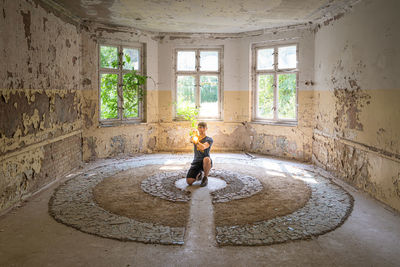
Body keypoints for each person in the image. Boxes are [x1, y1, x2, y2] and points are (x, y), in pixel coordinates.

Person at [186, 122, 213, 187]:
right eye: (200, 127)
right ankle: (199, 173)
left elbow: (203, 147)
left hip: (206, 162)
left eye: (203, 127)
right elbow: (190, 139)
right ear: (198, 128)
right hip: (196, 161)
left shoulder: (209, 139)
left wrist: (196, 142)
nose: (202, 129)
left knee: (206, 159)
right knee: (189, 182)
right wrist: (193, 137)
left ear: (206, 128)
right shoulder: (195, 137)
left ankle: (205, 178)